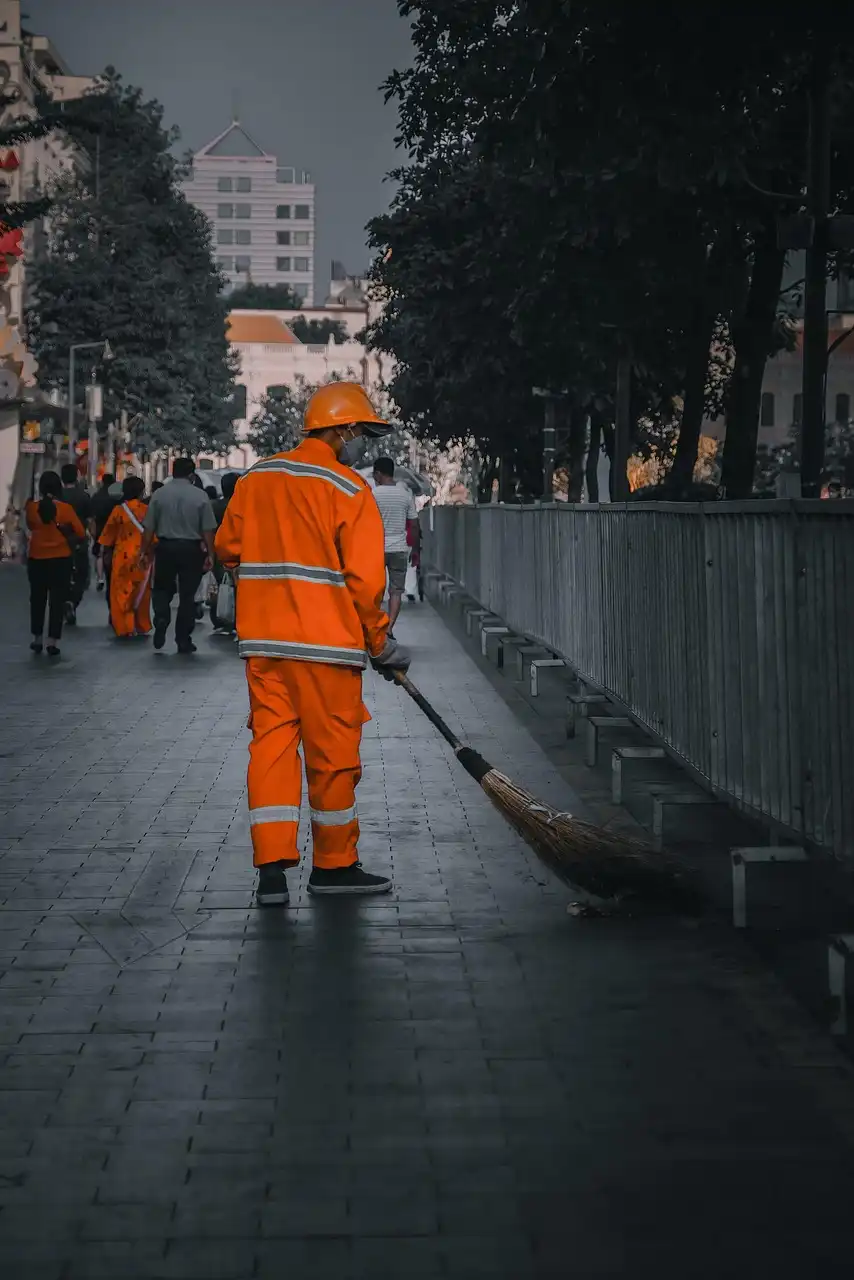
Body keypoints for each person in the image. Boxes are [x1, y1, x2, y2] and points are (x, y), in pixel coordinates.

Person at [215, 381, 411, 906]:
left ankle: (272, 873)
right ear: (342, 430)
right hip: (327, 650)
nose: (362, 445)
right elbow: (366, 585)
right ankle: (333, 866)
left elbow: (227, 548)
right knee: (333, 758)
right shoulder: (349, 491)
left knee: (273, 750)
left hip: (265, 647)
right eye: (361, 434)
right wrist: (381, 645)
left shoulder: (257, 479)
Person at [138, 456, 216, 654]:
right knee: (188, 596)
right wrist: (210, 554)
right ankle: (183, 639)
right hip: (191, 550)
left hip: (165, 548)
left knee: (162, 588)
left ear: (173, 471)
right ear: (191, 474)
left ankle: (162, 615)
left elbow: (149, 527)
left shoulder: (159, 495)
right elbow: (208, 529)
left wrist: (144, 551)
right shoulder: (200, 496)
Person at [24, 470, 85, 658]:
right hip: (61, 559)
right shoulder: (65, 509)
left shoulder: (32, 508)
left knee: (37, 599)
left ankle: (37, 638)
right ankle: (52, 641)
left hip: (37, 558)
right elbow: (81, 533)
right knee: (57, 601)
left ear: (40, 488)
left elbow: (30, 526)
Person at [98, 476, 154, 639]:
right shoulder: (146, 510)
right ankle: (141, 624)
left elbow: (107, 536)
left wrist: (104, 553)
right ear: (142, 492)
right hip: (142, 556)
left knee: (121, 591)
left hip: (122, 556)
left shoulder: (118, 511)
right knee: (141, 591)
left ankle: (125, 627)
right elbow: (153, 534)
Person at [372, 456, 419, 638]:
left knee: (375, 590)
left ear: (378, 474)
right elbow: (414, 525)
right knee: (396, 591)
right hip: (399, 548)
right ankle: (389, 628)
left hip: (377, 549)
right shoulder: (405, 495)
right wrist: (413, 549)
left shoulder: (373, 495)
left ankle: (375, 627)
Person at [60, 462, 92, 624]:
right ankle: (73, 602)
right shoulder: (83, 496)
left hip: (59, 541)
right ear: (77, 476)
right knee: (82, 575)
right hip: (79, 541)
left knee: (61, 575)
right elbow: (89, 519)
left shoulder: (57, 496)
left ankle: (65, 601)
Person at [210, 472, 238, 633]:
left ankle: (218, 617)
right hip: (237, 552)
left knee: (220, 583)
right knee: (236, 586)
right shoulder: (242, 505)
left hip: (218, 550)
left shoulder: (215, 506)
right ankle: (235, 619)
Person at [90, 472, 118, 596]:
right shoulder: (116, 496)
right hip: (114, 528)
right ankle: (112, 575)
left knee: (99, 553)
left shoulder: (97, 496)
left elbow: (92, 515)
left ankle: (100, 577)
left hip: (100, 527)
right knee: (113, 552)